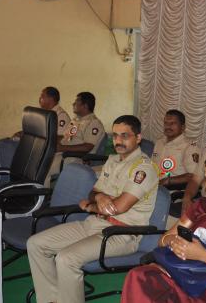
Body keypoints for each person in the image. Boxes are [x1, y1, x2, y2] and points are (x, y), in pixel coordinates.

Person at [27, 115, 160, 303]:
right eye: (115, 136)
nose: (118, 141)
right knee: (35, 244)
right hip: (94, 223)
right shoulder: (113, 160)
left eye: (125, 136)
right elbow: (94, 191)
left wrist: (90, 206)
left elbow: (118, 208)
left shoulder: (143, 168)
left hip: (121, 233)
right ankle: (51, 299)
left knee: (66, 259)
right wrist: (99, 197)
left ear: (138, 138)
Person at [121, 151, 206, 303]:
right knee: (138, 276)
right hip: (183, 270)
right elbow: (163, 240)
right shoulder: (201, 206)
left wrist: (202, 254)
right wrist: (174, 242)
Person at [0, 86, 70, 181]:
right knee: (3, 143)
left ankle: (5, 180)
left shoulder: (60, 116)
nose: (40, 99)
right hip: (36, 147)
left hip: (47, 152)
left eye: (42, 96)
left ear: (50, 99)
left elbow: (61, 138)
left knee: (5, 147)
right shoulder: (46, 113)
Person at [46, 92, 105, 185]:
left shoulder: (93, 123)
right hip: (63, 153)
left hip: (75, 158)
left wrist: (62, 148)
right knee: (38, 163)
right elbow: (67, 137)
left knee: (44, 169)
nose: (73, 104)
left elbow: (87, 147)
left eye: (76, 102)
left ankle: (41, 196)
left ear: (84, 106)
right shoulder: (76, 120)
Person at [152, 109, 199, 190]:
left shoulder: (189, 146)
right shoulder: (159, 142)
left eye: (172, 123)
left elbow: (193, 175)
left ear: (182, 127)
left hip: (173, 190)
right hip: (153, 186)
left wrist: (168, 180)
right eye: (166, 123)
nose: (168, 126)